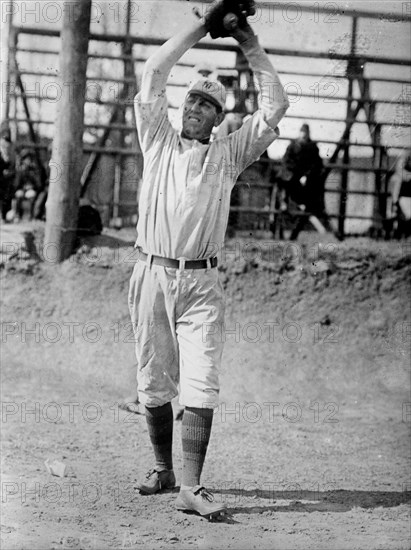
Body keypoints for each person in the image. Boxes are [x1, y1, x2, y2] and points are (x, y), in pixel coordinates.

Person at [128, 9, 289, 519]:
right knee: (153, 380)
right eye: (191, 100)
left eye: (207, 104)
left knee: (201, 382)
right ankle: (162, 468)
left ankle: (191, 488)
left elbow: (276, 104)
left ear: (219, 118)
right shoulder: (157, 140)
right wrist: (205, 23)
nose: (195, 107)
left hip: (201, 280)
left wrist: (245, 36)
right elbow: (154, 73)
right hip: (151, 272)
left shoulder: (229, 154)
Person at [276, 123, 326, 239]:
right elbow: (286, 162)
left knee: (309, 200)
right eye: (302, 133)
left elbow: (316, 165)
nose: (303, 136)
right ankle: (284, 200)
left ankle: (302, 207)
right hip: (293, 178)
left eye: (305, 134)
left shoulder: (313, 147)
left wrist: (306, 176)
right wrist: (295, 174)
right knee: (283, 177)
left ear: (308, 134)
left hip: (306, 181)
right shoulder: (292, 146)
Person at [390, 148, 411, 238]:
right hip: (405, 190)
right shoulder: (407, 154)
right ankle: (395, 205)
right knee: (396, 180)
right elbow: (399, 169)